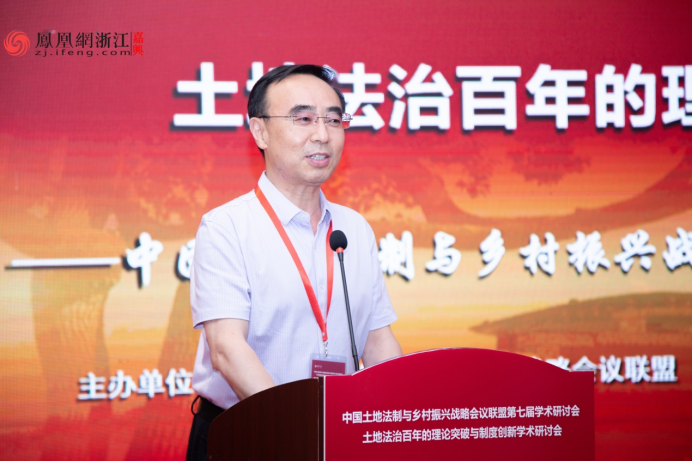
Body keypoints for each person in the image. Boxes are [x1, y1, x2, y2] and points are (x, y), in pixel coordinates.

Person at [186, 64, 402, 461]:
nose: (322, 134)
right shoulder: (226, 227)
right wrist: (296, 428)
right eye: (303, 119)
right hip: (246, 433)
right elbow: (227, 348)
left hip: (335, 436)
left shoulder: (353, 228)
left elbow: (377, 341)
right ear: (260, 131)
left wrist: (401, 421)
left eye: (333, 120)